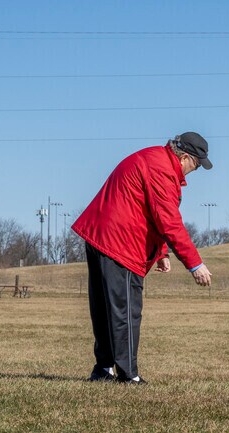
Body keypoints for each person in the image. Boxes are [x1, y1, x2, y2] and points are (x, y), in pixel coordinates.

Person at [72, 132, 213, 384]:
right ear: (184, 158)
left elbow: (146, 209)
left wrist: (160, 253)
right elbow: (168, 221)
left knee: (105, 308)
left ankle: (104, 369)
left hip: (100, 236)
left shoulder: (153, 158)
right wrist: (195, 264)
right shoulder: (161, 170)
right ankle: (128, 375)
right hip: (120, 243)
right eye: (197, 164)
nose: (196, 170)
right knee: (126, 310)